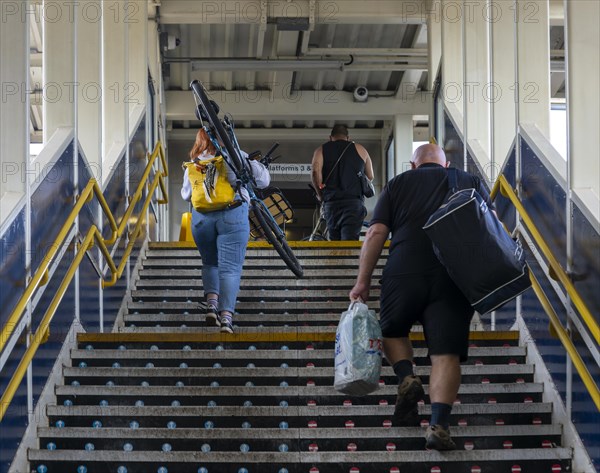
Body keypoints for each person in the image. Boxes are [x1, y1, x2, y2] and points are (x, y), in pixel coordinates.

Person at [349, 143, 495, 450]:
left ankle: (406, 376)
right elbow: (493, 228)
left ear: (413, 165)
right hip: (454, 276)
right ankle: (438, 425)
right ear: (446, 164)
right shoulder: (469, 181)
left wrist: (362, 282)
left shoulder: (398, 184)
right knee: (446, 354)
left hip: (403, 270)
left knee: (391, 330)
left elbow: (375, 233)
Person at [181, 129, 270, 334]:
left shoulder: (195, 163)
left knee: (209, 262)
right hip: (232, 214)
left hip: (201, 219)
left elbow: (186, 194)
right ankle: (227, 318)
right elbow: (263, 181)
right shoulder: (236, 155)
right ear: (224, 137)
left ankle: (211, 304)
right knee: (230, 269)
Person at [311, 124, 374, 240]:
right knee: (350, 242)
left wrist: (320, 194)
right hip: (354, 203)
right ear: (348, 138)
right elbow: (370, 176)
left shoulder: (321, 150)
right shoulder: (360, 149)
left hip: (332, 202)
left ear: (330, 138)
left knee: (335, 242)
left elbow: (315, 172)